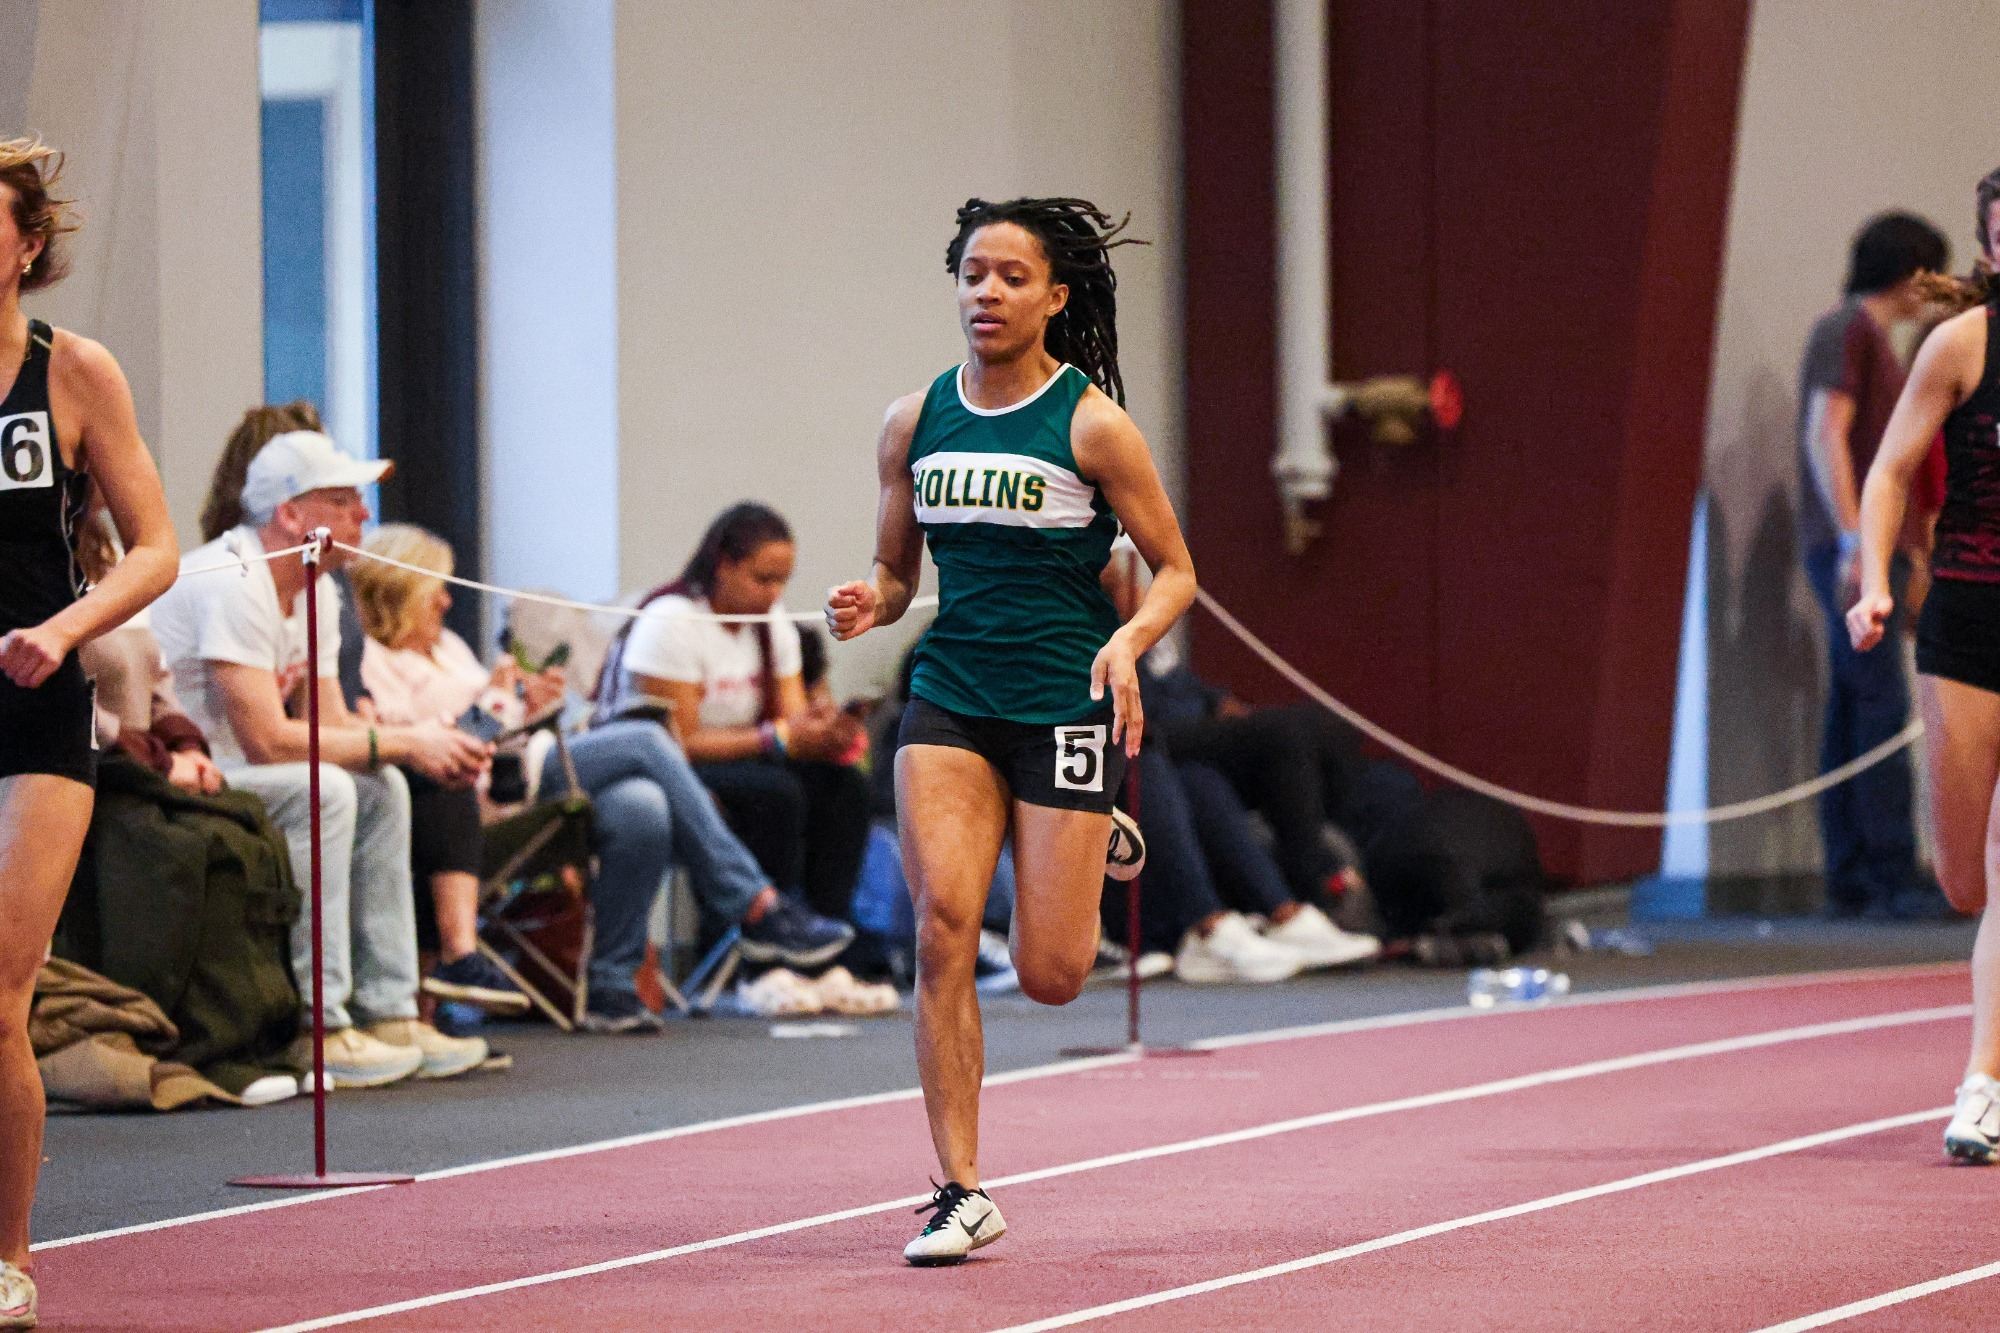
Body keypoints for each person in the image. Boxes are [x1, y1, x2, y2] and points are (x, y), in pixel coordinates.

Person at [826, 196, 1196, 1265]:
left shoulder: (1091, 424)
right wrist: (870, 599)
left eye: (1011, 277)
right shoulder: (914, 421)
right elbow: (898, 572)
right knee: (942, 924)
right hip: (949, 696)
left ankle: (1087, 829)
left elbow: (1175, 571)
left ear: (1054, 296)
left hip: (1062, 702)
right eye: (972, 274)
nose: (986, 293)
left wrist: (1127, 640)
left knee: (1051, 973)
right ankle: (961, 1187)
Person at [356, 526, 855, 1034]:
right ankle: (756, 904)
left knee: (642, 805)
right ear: (398, 594)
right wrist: (496, 700)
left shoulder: (448, 648)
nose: (446, 601)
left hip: (528, 764)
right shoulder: (376, 663)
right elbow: (423, 748)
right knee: (645, 738)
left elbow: (496, 721)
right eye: (434, 590)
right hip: (478, 799)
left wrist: (531, 702)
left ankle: (611, 986)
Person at [152, 427, 491, 1087]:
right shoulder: (236, 579)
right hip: (187, 773)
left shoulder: (317, 588)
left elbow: (329, 723)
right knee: (328, 789)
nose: (363, 514)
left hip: (246, 767)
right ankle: (320, 1024)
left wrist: (419, 741)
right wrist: (407, 739)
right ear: (289, 514)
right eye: (342, 500)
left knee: (383, 785)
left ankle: (389, 1010)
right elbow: (268, 740)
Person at [0, 137, 180, 1329]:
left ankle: (8, 1254)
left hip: (30, 701)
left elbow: (157, 547)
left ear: (26, 247)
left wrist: (65, 629)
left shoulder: (72, 372)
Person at [1849, 165, 2000, 1162]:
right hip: (1967, 622)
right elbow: (1890, 469)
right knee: (1963, 883)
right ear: (1988, 246)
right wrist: (1873, 582)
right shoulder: (1961, 344)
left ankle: (1982, 1085)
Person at [600, 504, 872, 929]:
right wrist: (776, 737)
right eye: (763, 579)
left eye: (782, 581)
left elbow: (792, 725)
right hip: (666, 767)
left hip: (742, 758)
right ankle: (761, 934)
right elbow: (676, 743)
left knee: (845, 787)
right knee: (775, 795)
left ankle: (829, 927)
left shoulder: (771, 621)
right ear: (724, 565)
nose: (775, 594)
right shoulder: (671, 621)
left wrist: (826, 729)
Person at [1802, 213, 1953, 919]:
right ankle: (1889, 869)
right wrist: (1853, 541)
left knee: (1854, 705)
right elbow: (1826, 433)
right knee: (1880, 703)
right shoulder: (1848, 331)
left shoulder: (1875, 342)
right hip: (1858, 548)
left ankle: (1855, 871)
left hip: (1875, 546)